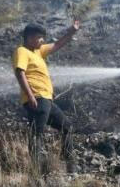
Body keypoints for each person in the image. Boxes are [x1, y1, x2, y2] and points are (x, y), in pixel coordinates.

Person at [13, 21, 80, 173]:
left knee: (67, 127)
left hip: (46, 99)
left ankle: (71, 167)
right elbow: (19, 72)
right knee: (37, 133)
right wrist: (30, 96)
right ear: (29, 38)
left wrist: (71, 32)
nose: (42, 40)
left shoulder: (38, 51)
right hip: (37, 98)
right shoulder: (22, 51)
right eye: (39, 38)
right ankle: (36, 173)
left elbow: (57, 44)